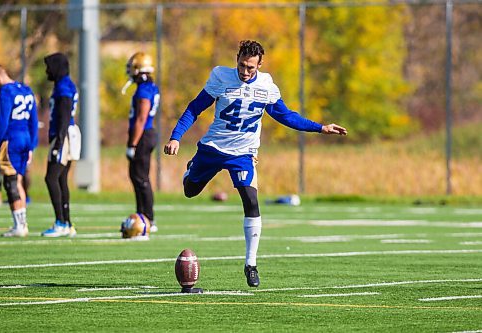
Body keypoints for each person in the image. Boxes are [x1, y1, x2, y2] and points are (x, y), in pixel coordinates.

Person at [164, 40, 347, 287]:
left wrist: (320, 128)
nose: (245, 71)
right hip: (213, 147)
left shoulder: (266, 85)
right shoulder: (220, 76)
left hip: (243, 154)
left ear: (260, 65)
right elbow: (194, 108)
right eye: (242, 65)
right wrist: (176, 137)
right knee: (190, 191)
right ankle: (191, 169)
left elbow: (285, 115)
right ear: (236, 58)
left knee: (251, 201)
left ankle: (251, 264)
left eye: (251, 67)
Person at [0, 64, 38, 237]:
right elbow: (34, 121)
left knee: (10, 182)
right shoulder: (26, 90)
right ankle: (22, 224)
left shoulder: (6, 91)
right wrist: (32, 144)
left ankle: (19, 226)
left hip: (12, 140)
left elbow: (2, 122)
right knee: (19, 181)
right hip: (25, 139)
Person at [41, 52, 80, 237]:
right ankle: (67, 222)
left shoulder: (63, 86)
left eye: (49, 66)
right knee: (61, 179)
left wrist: (59, 142)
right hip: (69, 133)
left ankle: (61, 222)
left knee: (51, 178)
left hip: (63, 135)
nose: (47, 70)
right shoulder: (65, 84)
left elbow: (64, 115)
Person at [122, 52, 160, 234]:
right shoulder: (150, 87)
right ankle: (143, 216)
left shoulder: (144, 90)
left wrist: (132, 144)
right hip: (147, 134)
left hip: (143, 135)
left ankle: (148, 218)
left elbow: (141, 118)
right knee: (138, 177)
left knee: (141, 178)